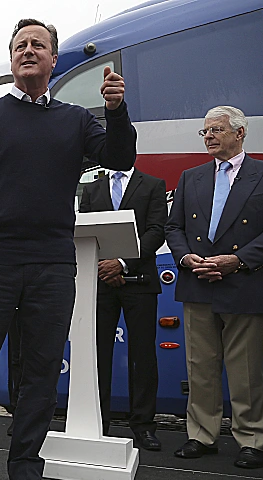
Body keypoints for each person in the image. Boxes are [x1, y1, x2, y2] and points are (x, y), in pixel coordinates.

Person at [0, 18, 136, 480]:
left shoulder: (75, 119)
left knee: (41, 373)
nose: (27, 51)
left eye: (37, 45)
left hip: (50, 263)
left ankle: (25, 471)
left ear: (51, 58)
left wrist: (115, 109)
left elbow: (120, 156)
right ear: (11, 58)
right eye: (19, 45)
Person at [165, 105, 263, 469]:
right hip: (198, 282)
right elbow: (174, 228)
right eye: (205, 131)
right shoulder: (191, 177)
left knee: (245, 369)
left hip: (243, 282)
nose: (209, 136)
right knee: (200, 367)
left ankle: (252, 439)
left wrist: (237, 260)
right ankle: (201, 435)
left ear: (240, 133)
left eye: (216, 130)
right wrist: (185, 258)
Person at [79, 166, 167, 450]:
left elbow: (156, 231)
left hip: (140, 282)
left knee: (142, 356)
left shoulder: (153, 184)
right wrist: (106, 267)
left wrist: (123, 263)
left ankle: (143, 426)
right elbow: (86, 231)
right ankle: (98, 422)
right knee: (98, 354)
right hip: (101, 282)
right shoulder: (92, 189)